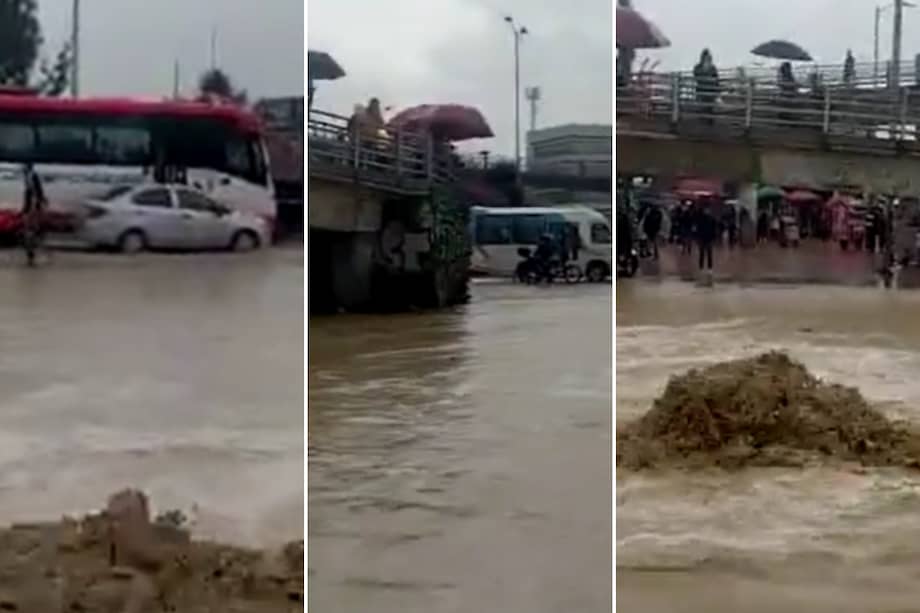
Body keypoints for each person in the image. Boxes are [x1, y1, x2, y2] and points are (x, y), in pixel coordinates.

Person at [693, 49, 719, 120]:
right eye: (706, 57)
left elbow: (716, 78)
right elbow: (696, 76)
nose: (707, 58)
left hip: (711, 89)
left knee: (710, 106)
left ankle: (710, 118)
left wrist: (717, 90)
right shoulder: (698, 67)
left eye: (708, 57)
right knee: (703, 105)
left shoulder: (713, 68)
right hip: (702, 89)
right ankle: (703, 117)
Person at [695, 201, 718, 271]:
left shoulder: (712, 219)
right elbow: (698, 229)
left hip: (709, 238)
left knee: (709, 254)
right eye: (706, 209)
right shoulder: (700, 219)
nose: (707, 211)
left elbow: (714, 229)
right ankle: (701, 267)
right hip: (702, 238)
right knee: (702, 254)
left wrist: (714, 237)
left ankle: (709, 268)